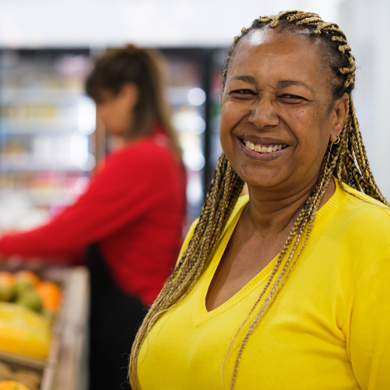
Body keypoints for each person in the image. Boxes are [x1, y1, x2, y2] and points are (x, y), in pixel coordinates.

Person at [128, 11, 390, 390]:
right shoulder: (209, 232)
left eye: (290, 97)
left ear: (337, 116)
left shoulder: (374, 243)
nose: (262, 116)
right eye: (244, 92)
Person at [0, 46, 186, 390]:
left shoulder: (142, 158)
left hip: (131, 316)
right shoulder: (160, 149)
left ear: (128, 95)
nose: (100, 117)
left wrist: (4, 244)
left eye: (103, 102)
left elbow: (63, 234)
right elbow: (94, 235)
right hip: (140, 307)